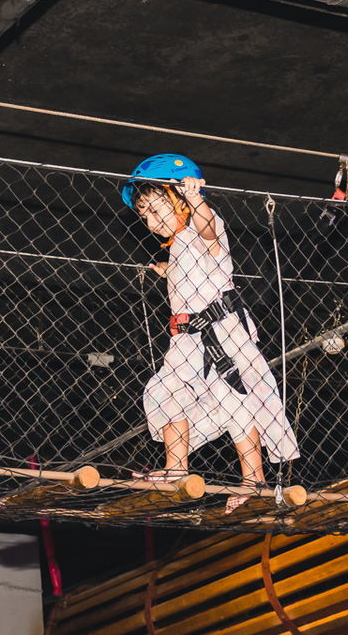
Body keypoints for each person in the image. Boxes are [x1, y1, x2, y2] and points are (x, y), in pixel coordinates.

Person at [122, 154, 300, 513]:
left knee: (236, 400)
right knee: (163, 390)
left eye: (156, 210)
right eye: (144, 216)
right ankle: (177, 468)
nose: (151, 222)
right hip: (186, 338)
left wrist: (195, 199)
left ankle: (254, 480)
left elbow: (206, 230)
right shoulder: (177, 245)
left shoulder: (204, 221)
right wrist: (169, 270)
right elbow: (195, 270)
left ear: (179, 199)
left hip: (220, 332)